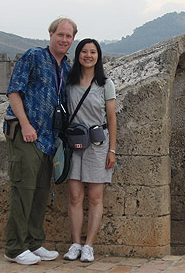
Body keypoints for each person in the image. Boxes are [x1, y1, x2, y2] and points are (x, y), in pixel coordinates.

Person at [4, 18, 77, 265]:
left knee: (40, 193)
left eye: (69, 36)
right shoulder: (34, 56)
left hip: (48, 140)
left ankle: (34, 243)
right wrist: (25, 124)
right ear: (51, 34)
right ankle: (14, 248)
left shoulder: (66, 68)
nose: (64, 40)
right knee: (23, 191)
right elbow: (14, 91)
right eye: (61, 34)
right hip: (26, 135)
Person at [63, 38, 117, 262]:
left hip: (97, 145)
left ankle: (89, 246)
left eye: (92, 52)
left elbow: (112, 118)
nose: (88, 55)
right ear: (78, 55)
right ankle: (75, 243)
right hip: (74, 144)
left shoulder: (105, 84)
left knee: (95, 198)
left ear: (98, 56)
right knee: (75, 196)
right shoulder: (69, 82)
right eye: (84, 51)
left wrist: (112, 150)